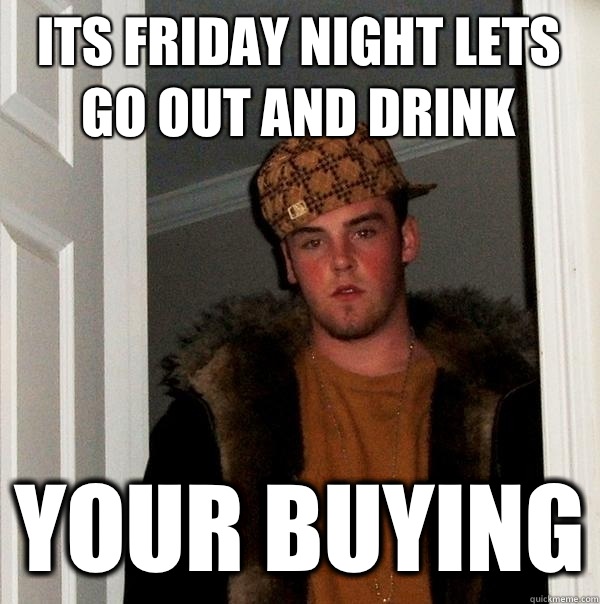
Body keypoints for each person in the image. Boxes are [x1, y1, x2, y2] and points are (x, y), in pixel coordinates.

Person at [124, 123, 544, 603]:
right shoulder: (208, 423)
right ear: (289, 263)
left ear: (406, 240)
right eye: (313, 241)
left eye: (363, 231)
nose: (341, 260)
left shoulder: (515, 410)